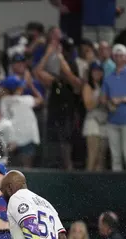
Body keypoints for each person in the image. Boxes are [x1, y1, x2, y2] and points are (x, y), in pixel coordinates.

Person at [34, 36, 82, 170]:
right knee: (51, 145)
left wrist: (60, 57)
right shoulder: (56, 80)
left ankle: (69, 169)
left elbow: (73, 79)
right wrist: (48, 54)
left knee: (66, 145)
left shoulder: (73, 77)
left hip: (67, 116)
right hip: (54, 115)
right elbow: (37, 72)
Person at [100, 44, 126, 172]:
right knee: (115, 157)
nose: (118, 58)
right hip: (112, 120)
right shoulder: (109, 77)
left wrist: (123, 99)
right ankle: (116, 188)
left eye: (121, 56)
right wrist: (108, 103)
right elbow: (103, 97)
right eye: (116, 56)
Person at [0, 76, 43, 168]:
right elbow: (40, 100)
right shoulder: (26, 99)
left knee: (11, 167)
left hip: (13, 138)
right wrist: (32, 87)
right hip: (27, 137)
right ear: (18, 88)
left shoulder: (4, 101)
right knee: (27, 168)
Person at [82, 62, 108, 171]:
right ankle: (87, 185)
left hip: (104, 122)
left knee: (101, 158)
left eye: (99, 71)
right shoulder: (88, 86)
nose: (97, 73)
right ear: (91, 72)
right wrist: (98, 99)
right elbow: (88, 106)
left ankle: (99, 186)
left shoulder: (104, 86)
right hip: (92, 122)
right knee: (93, 154)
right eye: (94, 71)